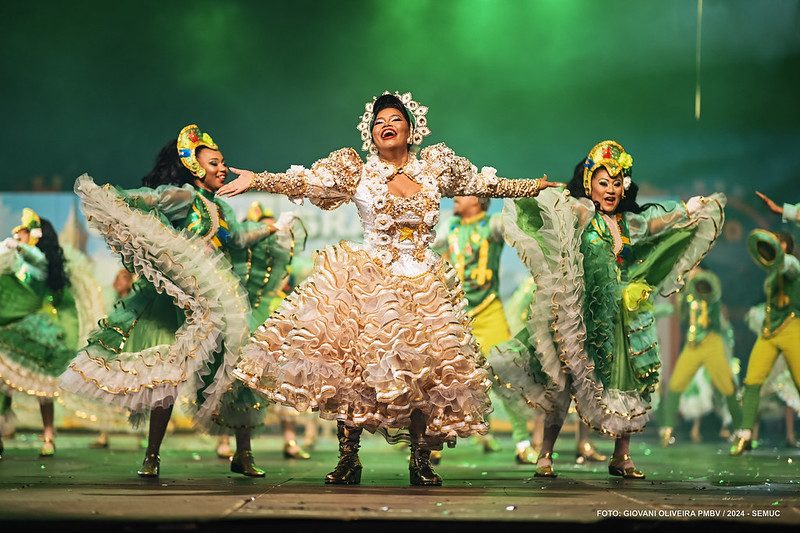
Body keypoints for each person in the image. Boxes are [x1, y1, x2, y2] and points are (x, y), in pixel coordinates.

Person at [219, 91, 562, 486]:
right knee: (352, 377)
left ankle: (420, 460)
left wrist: (533, 187)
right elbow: (304, 180)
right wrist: (258, 180)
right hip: (368, 284)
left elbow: (489, 183)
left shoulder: (434, 170)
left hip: (423, 286)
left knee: (425, 377)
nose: (385, 124)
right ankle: (349, 459)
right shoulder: (357, 172)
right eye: (378, 121)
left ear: (411, 129)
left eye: (394, 119)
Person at [492, 140, 725, 479]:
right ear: (590, 184)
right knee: (563, 385)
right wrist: (534, 189)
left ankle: (622, 456)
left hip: (616, 316)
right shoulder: (582, 214)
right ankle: (545, 455)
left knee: (627, 382)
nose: (612, 190)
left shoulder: (628, 224)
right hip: (579, 315)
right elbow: (549, 209)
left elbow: (659, 222)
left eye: (617, 183)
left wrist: (687, 210)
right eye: (604, 183)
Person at [61, 125, 275, 477]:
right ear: (195, 167)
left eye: (223, 163)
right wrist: (110, 195)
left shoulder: (221, 207)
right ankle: (152, 454)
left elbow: (236, 240)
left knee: (238, 371)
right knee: (167, 374)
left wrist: (271, 229)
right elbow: (150, 199)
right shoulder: (185, 197)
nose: (223, 168)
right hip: (179, 300)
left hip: (218, 298)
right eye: (215, 163)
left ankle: (244, 453)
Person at [0, 209, 98, 457]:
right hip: (17, 322)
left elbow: (37, 264)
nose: (18, 235)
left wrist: (19, 248)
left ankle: (48, 436)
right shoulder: (18, 257)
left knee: (43, 386)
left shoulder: (39, 259)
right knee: (4, 379)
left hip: (39, 325)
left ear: (34, 235)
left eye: (23, 231)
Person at [731, 230, 800, 455]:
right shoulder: (770, 274)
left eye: (779, 244)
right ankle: (746, 434)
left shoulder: (792, 266)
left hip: (792, 327)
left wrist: (782, 257)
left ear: (787, 247)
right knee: (752, 380)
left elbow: (789, 266)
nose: (775, 248)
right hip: (769, 330)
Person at [658, 266, 741, 446]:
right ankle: (667, 429)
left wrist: (698, 276)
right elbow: (682, 317)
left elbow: (713, 289)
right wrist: (682, 290)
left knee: (727, 385)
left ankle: (741, 429)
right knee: (675, 384)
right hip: (693, 343)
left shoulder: (709, 283)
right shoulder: (688, 292)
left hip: (712, 341)